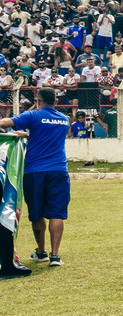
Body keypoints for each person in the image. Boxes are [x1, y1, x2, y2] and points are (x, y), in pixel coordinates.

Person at [0, 87, 70, 266]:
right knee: (57, 213)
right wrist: (29, 134)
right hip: (59, 170)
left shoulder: (32, 116)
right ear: (55, 101)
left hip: (35, 172)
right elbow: (46, 135)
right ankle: (55, 256)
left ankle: (41, 252)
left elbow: (5, 122)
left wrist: (29, 117)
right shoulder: (65, 120)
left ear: (38, 101)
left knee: (36, 213)